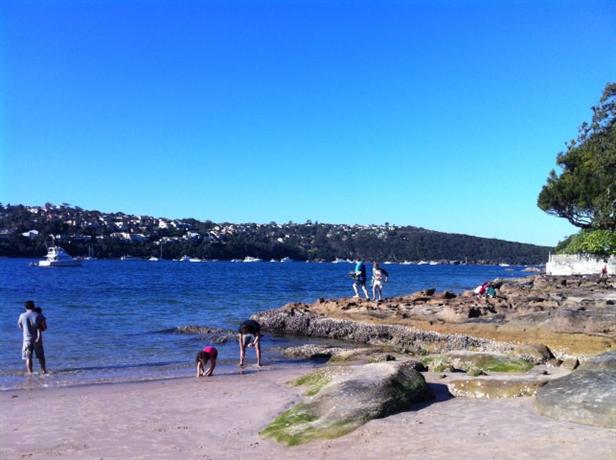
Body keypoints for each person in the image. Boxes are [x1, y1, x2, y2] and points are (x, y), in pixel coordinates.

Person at [17, 300, 47, 375]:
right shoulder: (39, 315)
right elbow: (45, 327)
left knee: (28, 357)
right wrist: (39, 329)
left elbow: (20, 326)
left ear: (25, 307)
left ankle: (30, 373)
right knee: (41, 356)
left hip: (27, 340)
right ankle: (43, 371)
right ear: (33, 306)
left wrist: (26, 329)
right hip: (37, 339)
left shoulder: (22, 315)